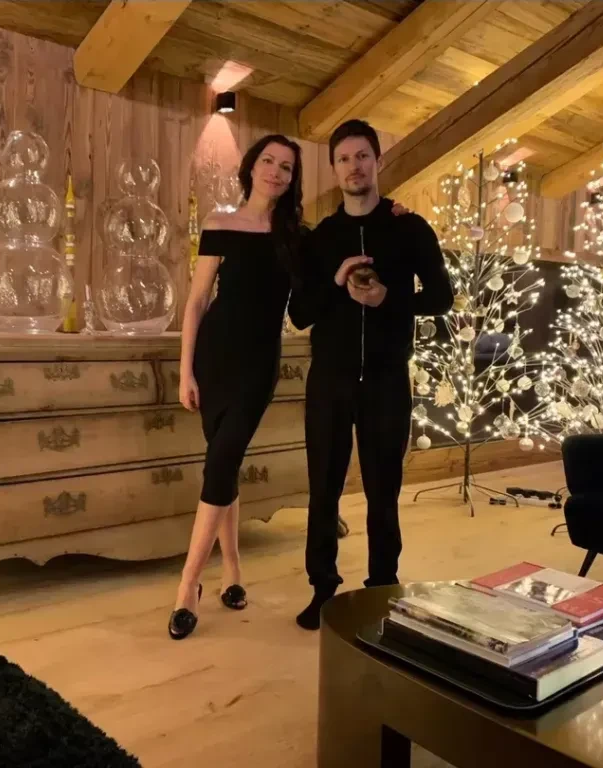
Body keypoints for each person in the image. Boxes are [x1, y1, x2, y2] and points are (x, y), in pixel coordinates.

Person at [292, 119, 453, 631]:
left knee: (384, 491)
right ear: (334, 168)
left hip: (386, 380)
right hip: (330, 381)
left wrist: (390, 298)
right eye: (343, 158)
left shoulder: (410, 228)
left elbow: (443, 298)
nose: (354, 166)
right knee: (323, 491)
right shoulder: (322, 238)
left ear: (377, 161)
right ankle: (322, 589)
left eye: (362, 156)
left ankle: (382, 587)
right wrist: (337, 279)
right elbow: (300, 313)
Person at [169, 134, 308, 640]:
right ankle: (231, 572)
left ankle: (188, 586)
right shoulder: (219, 223)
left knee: (222, 459)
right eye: (268, 161)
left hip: (257, 367)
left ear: (292, 180)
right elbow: (196, 302)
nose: (275, 171)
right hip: (214, 358)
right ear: (251, 167)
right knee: (222, 465)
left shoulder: (297, 237)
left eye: (286, 167)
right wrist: (185, 371)